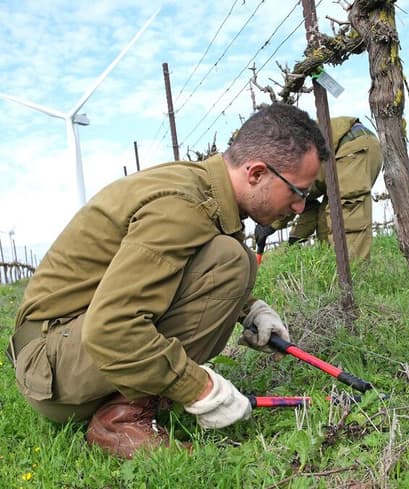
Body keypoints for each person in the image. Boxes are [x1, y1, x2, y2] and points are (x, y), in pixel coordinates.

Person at [7, 103, 328, 458]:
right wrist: (201, 389)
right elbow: (110, 327)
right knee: (231, 260)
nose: (301, 207)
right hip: (53, 374)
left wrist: (248, 310)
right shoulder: (182, 205)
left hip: (64, 354)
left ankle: (132, 400)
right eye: (298, 192)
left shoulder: (200, 191)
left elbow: (170, 272)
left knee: (233, 260)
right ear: (256, 173)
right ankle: (120, 420)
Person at [255, 116, 382, 261]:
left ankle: (353, 280)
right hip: (336, 162)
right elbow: (308, 207)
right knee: (325, 218)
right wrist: (292, 241)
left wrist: (270, 224)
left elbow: (289, 196)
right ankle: (331, 273)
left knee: (343, 215)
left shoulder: (280, 163)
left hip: (351, 145)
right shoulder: (297, 184)